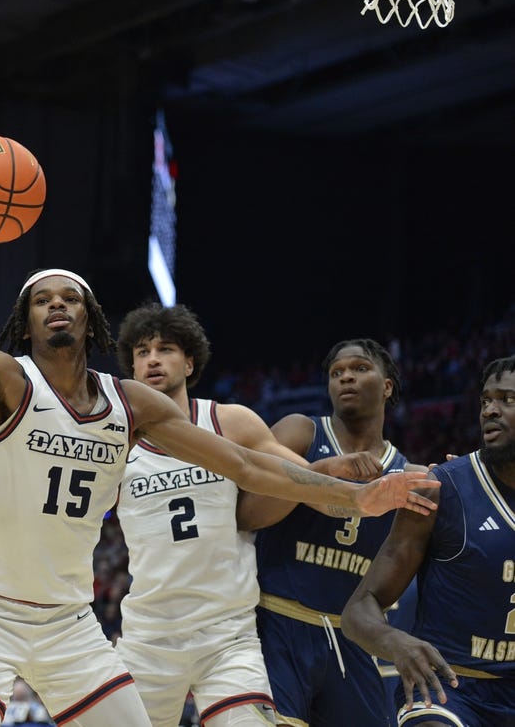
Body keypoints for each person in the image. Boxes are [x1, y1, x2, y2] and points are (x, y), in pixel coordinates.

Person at [0, 179, 437, 727]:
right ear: (25, 325)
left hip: (76, 620)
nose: (56, 306)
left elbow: (246, 466)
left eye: (69, 298)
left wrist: (355, 497)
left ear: (91, 319)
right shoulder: (5, 379)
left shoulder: (131, 404)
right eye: (42, 301)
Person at [111, 304, 390, 726]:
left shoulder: (230, 422)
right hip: (149, 636)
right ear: (131, 366)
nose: (152, 359)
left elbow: (301, 485)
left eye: (165, 349)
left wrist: (358, 496)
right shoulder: (115, 441)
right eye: (142, 351)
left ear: (189, 362)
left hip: (228, 635)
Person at [251, 339, 428, 727]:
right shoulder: (301, 432)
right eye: (336, 372)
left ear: (387, 386)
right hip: (278, 624)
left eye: (360, 368)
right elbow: (247, 513)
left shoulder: (407, 474)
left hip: (351, 639)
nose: (346, 376)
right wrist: (320, 473)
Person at [342, 355, 515, 727]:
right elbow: (358, 610)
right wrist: (394, 642)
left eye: (507, 400)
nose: (490, 410)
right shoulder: (441, 489)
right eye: (486, 400)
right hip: (450, 689)